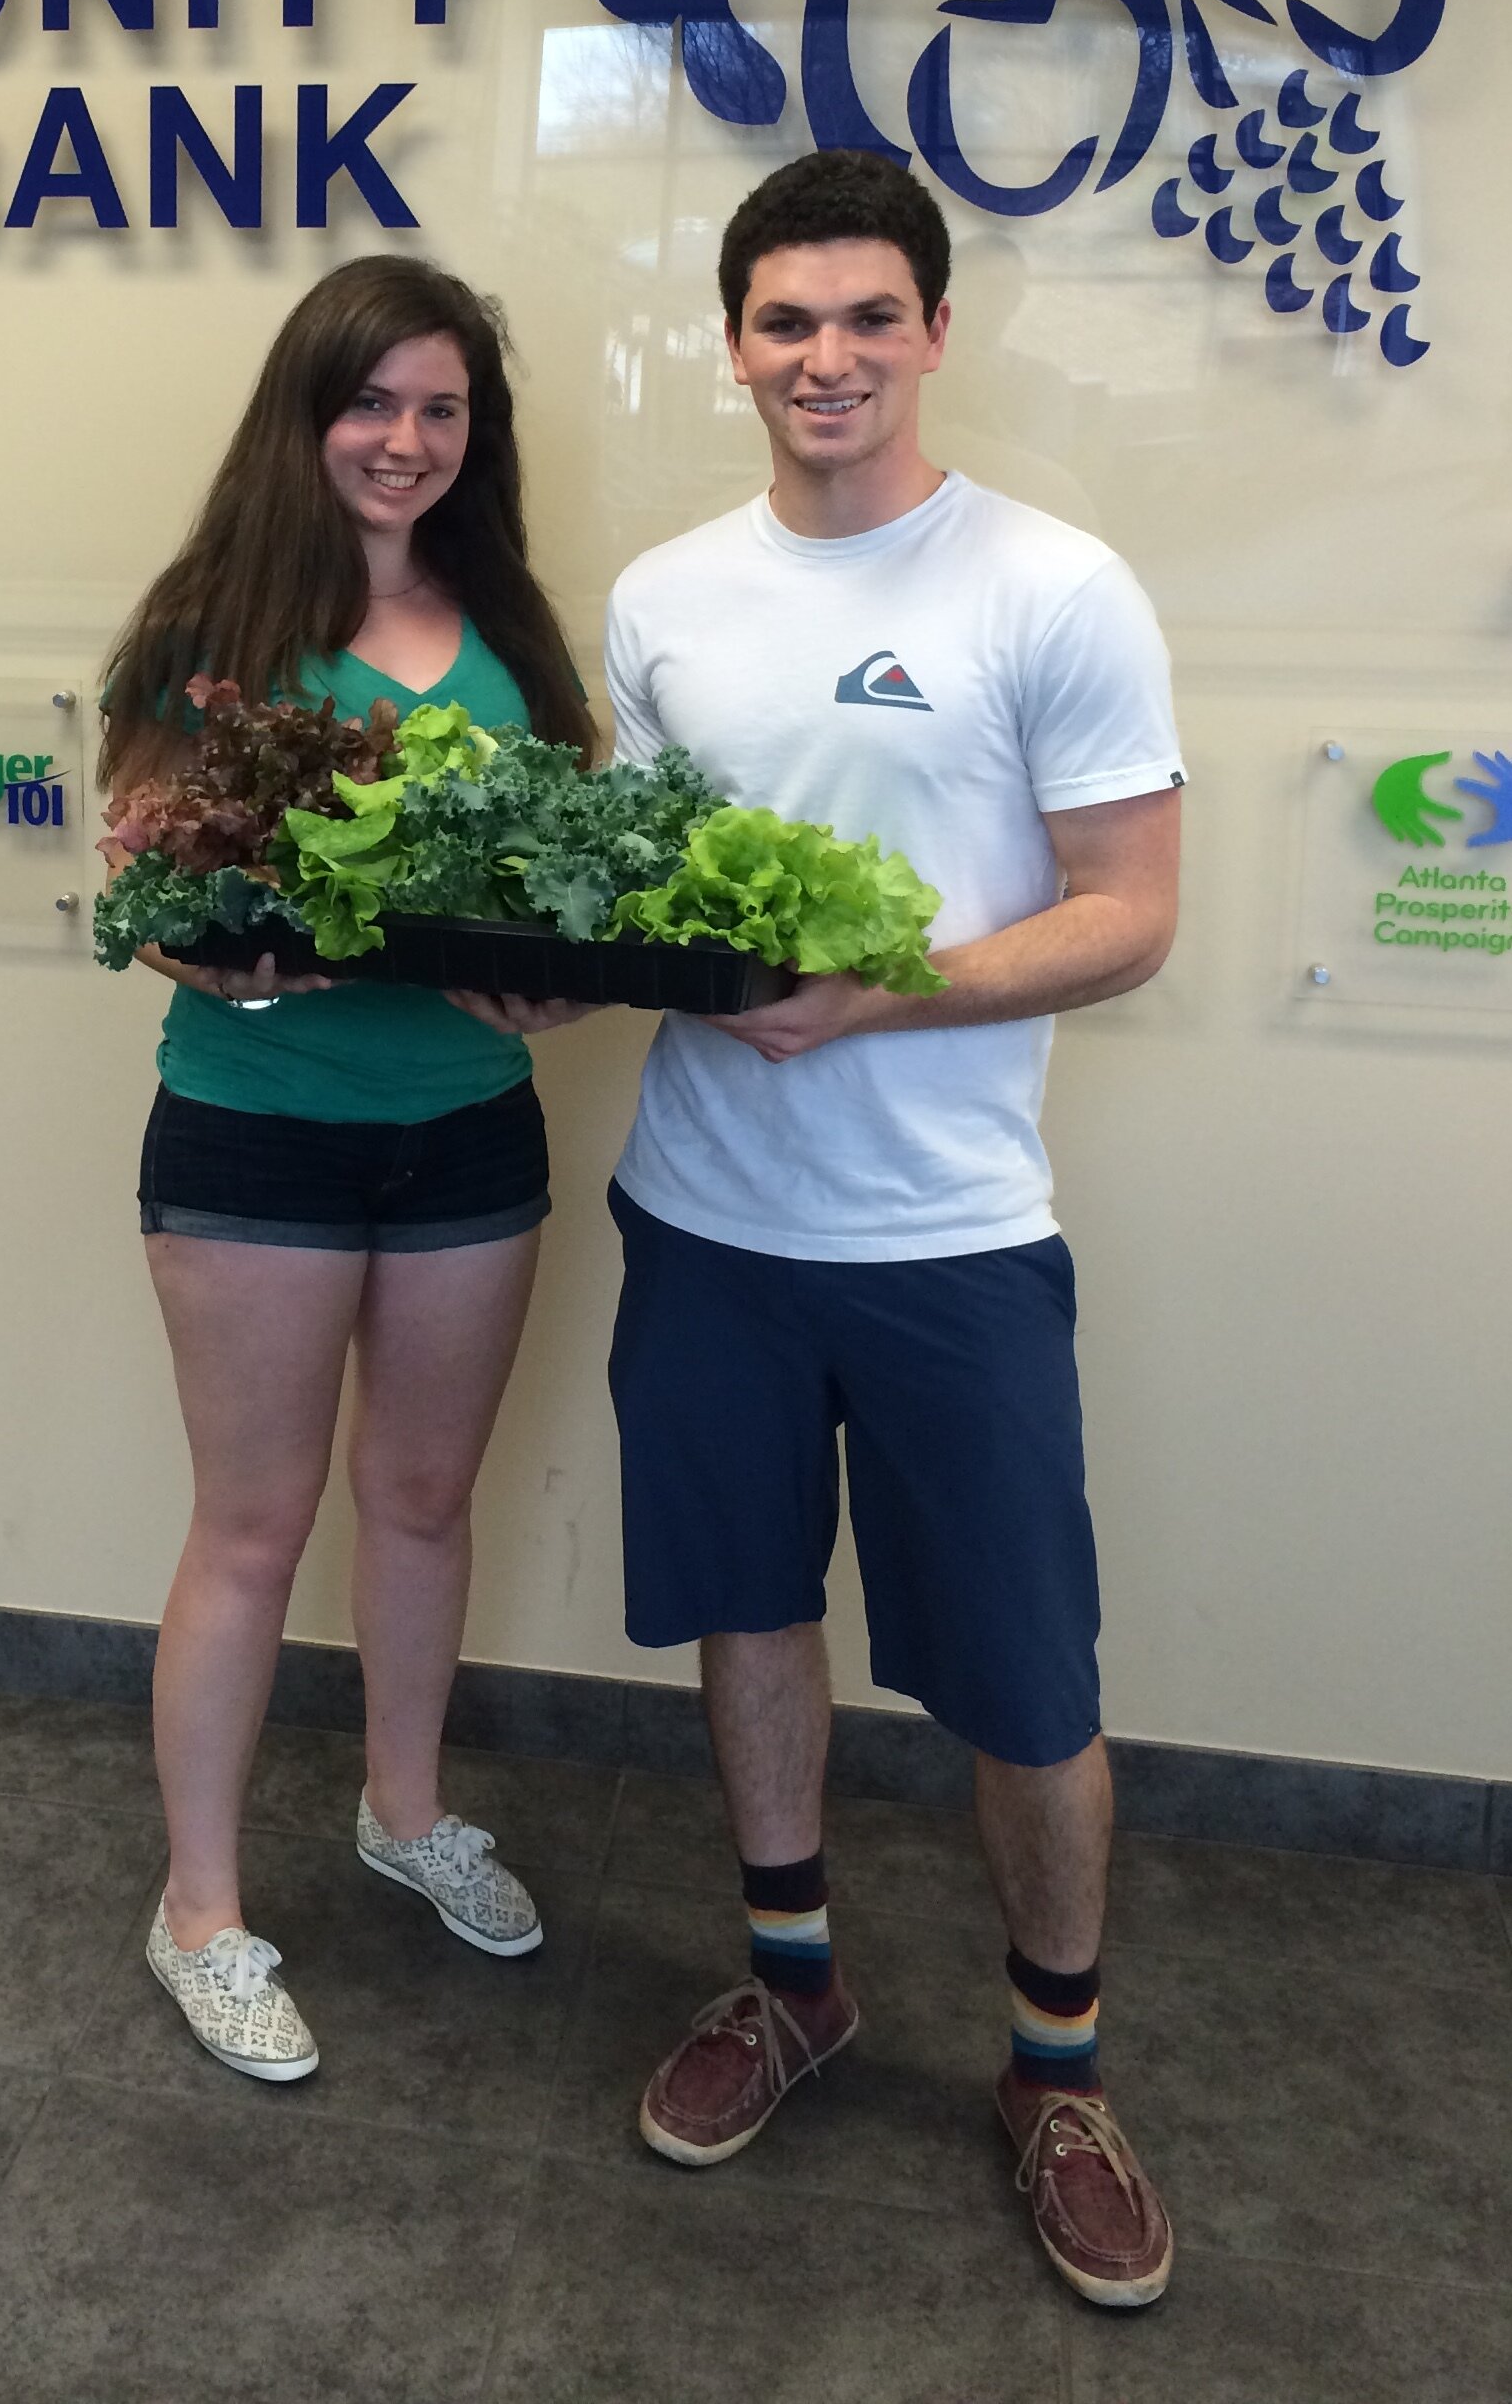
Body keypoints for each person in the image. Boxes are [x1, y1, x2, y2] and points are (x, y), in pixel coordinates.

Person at [601, 147, 1184, 2308]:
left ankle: (1058, 2068)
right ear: (733, 341)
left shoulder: (1051, 585)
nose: (822, 359)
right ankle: (795, 1983)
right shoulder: (665, 596)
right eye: (783, 321)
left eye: (866, 318)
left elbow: (1132, 917)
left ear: (936, 331)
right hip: (707, 1224)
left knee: (1023, 1682)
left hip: (950, 1239)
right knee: (749, 1613)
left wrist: (886, 990)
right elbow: (654, 897)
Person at [100, 255, 596, 2086]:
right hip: (255, 1129)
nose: (406, 440)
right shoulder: (206, 620)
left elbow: (565, 879)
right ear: (306, 415)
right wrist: (203, 948)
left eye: (442, 408)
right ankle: (202, 1910)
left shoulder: (515, 627)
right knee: (249, 1525)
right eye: (373, 402)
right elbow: (142, 881)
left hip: (468, 1124)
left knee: (423, 1500)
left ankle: (406, 1812)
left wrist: (554, 993)